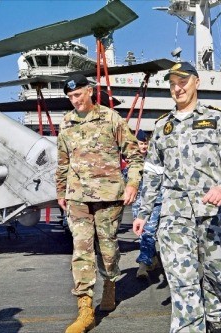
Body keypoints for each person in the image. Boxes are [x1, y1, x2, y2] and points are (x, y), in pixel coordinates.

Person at [132, 62, 221, 333]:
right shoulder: (162, 127)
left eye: (182, 81)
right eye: (172, 83)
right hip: (174, 214)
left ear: (197, 82)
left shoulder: (216, 120)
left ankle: (217, 316)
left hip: (212, 213)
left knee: (215, 273)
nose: (177, 87)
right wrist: (143, 213)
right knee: (181, 279)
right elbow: (152, 174)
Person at [56, 74, 143, 333]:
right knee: (81, 248)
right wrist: (61, 191)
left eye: (78, 95)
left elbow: (134, 154)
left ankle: (110, 284)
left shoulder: (111, 119)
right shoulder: (67, 122)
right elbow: (62, 161)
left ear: (90, 92)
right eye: (70, 97)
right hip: (77, 197)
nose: (75, 101)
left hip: (109, 196)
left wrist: (133, 184)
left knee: (107, 249)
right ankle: (85, 310)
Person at [131, 129, 162, 279]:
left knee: (148, 232)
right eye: (141, 143)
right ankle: (153, 259)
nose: (143, 146)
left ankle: (142, 265)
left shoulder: (154, 159)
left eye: (145, 143)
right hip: (137, 203)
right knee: (144, 234)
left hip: (155, 202)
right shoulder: (131, 160)